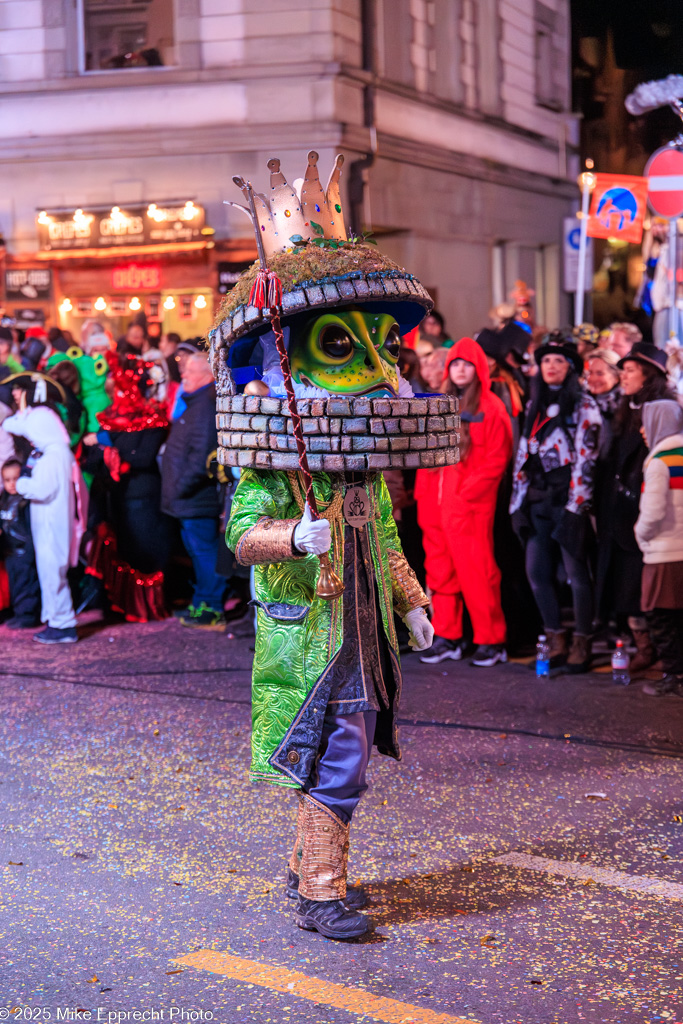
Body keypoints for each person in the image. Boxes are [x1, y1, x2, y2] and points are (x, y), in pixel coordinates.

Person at [221, 149, 437, 942]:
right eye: (345, 348)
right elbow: (242, 535)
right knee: (334, 756)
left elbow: (382, 534)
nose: (381, 372)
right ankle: (319, 892)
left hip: (364, 628)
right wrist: (293, 535)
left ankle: (310, 866)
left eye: (378, 345)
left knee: (337, 750)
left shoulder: (357, 455)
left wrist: (411, 602)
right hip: (308, 630)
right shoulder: (273, 448)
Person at [416, 338, 512, 666]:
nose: (459, 369)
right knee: (440, 574)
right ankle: (447, 636)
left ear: (479, 369)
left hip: (468, 508)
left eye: (466, 364)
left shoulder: (491, 408)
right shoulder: (439, 405)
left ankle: (491, 640)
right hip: (434, 506)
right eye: (455, 363)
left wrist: (467, 495)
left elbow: (496, 459)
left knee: (478, 573)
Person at [510, 336, 602, 672]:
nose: (551, 366)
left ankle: (582, 640)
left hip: (568, 501)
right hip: (536, 501)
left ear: (572, 368)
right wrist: (516, 504)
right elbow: (523, 456)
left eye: (559, 361)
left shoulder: (583, 405)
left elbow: (586, 458)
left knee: (577, 575)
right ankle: (555, 637)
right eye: (546, 360)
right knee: (537, 573)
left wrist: (576, 508)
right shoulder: (534, 405)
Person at [594, 343, 675, 670]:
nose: (622, 376)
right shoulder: (627, 406)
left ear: (649, 374)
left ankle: (660, 652)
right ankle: (644, 645)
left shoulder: (665, 409)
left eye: (629, 370)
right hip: (619, 508)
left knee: (646, 586)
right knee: (624, 584)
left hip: (648, 506)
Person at [85, 352, 170, 622]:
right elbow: (93, 460)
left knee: (144, 552)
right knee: (125, 551)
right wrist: (108, 449)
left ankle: (145, 608)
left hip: (143, 497)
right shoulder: (113, 420)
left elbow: (142, 457)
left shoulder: (153, 420)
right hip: (119, 497)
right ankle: (124, 605)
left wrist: (108, 445)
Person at [4, 402, 81, 644]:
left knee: (52, 574)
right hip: (50, 523)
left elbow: (43, 488)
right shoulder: (56, 452)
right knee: (50, 573)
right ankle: (56, 621)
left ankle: (62, 624)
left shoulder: (53, 457)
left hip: (51, 525)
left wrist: (23, 485)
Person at [161, 351, 225, 627]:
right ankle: (201, 602)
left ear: (206, 376)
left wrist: (179, 488)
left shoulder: (204, 407)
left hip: (196, 498)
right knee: (198, 554)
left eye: (189, 371)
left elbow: (201, 459)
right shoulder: (198, 403)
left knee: (205, 553)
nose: (183, 375)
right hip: (189, 498)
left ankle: (212, 607)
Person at [635, 401, 683, 697]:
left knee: (662, 619)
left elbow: (652, 512)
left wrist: (641, 535)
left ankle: (674, 676)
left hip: (664, 552)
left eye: (646, 421)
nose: (642, 429)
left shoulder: (660, 461)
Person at [0, 458, 41, 628]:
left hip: (24, 551)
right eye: (7, 480)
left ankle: (28, 616)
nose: (11, 484)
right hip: (10, 551)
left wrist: (30, 552)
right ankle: (19, 613)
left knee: (27, 584)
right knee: (15, 584)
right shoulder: (4, 499)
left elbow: (32, 529)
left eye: (15, 479)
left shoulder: (26, 501)